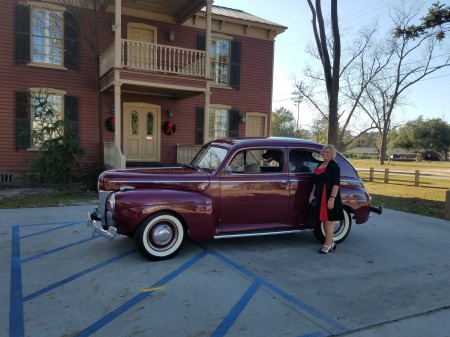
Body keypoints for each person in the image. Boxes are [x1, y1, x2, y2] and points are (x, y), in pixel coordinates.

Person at [308, 144, 344, 254]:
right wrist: (312, 194)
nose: (325, 154)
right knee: (324, 220)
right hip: (319, 195)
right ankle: (331, 243)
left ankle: (327, 245)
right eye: (324, 152)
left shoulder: (334, 165)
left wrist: (332, 198)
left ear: (332, 154)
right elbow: (316, 181)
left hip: (328, 196)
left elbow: (336, 183)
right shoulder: (320, 164)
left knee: (329, 221)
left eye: (327, 152)